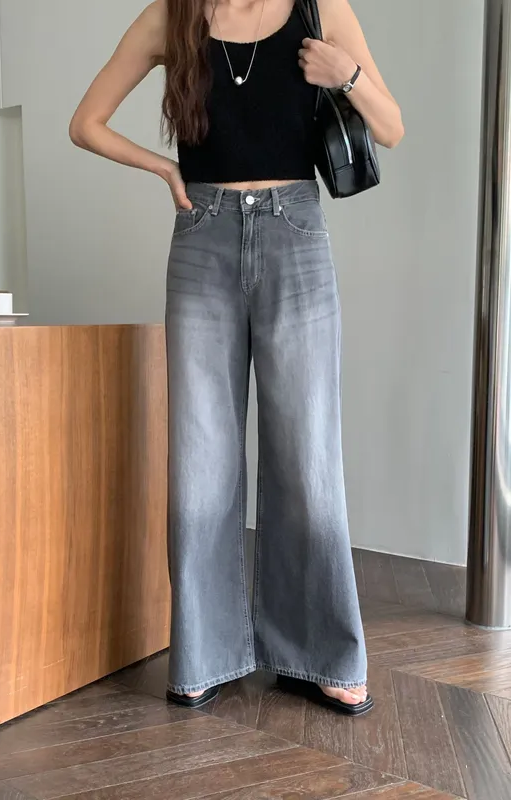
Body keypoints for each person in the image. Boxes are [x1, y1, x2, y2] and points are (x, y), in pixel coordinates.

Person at [70, 0, 403, 716]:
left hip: (296, 235)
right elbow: (85, 122)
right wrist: (164, 170)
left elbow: (391, 127)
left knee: (308, 454)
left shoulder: (320, 7)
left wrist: (344, 74)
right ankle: (205, 651)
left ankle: (321, 654)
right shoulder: (171, 17)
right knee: (201, 455)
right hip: (204, 238)